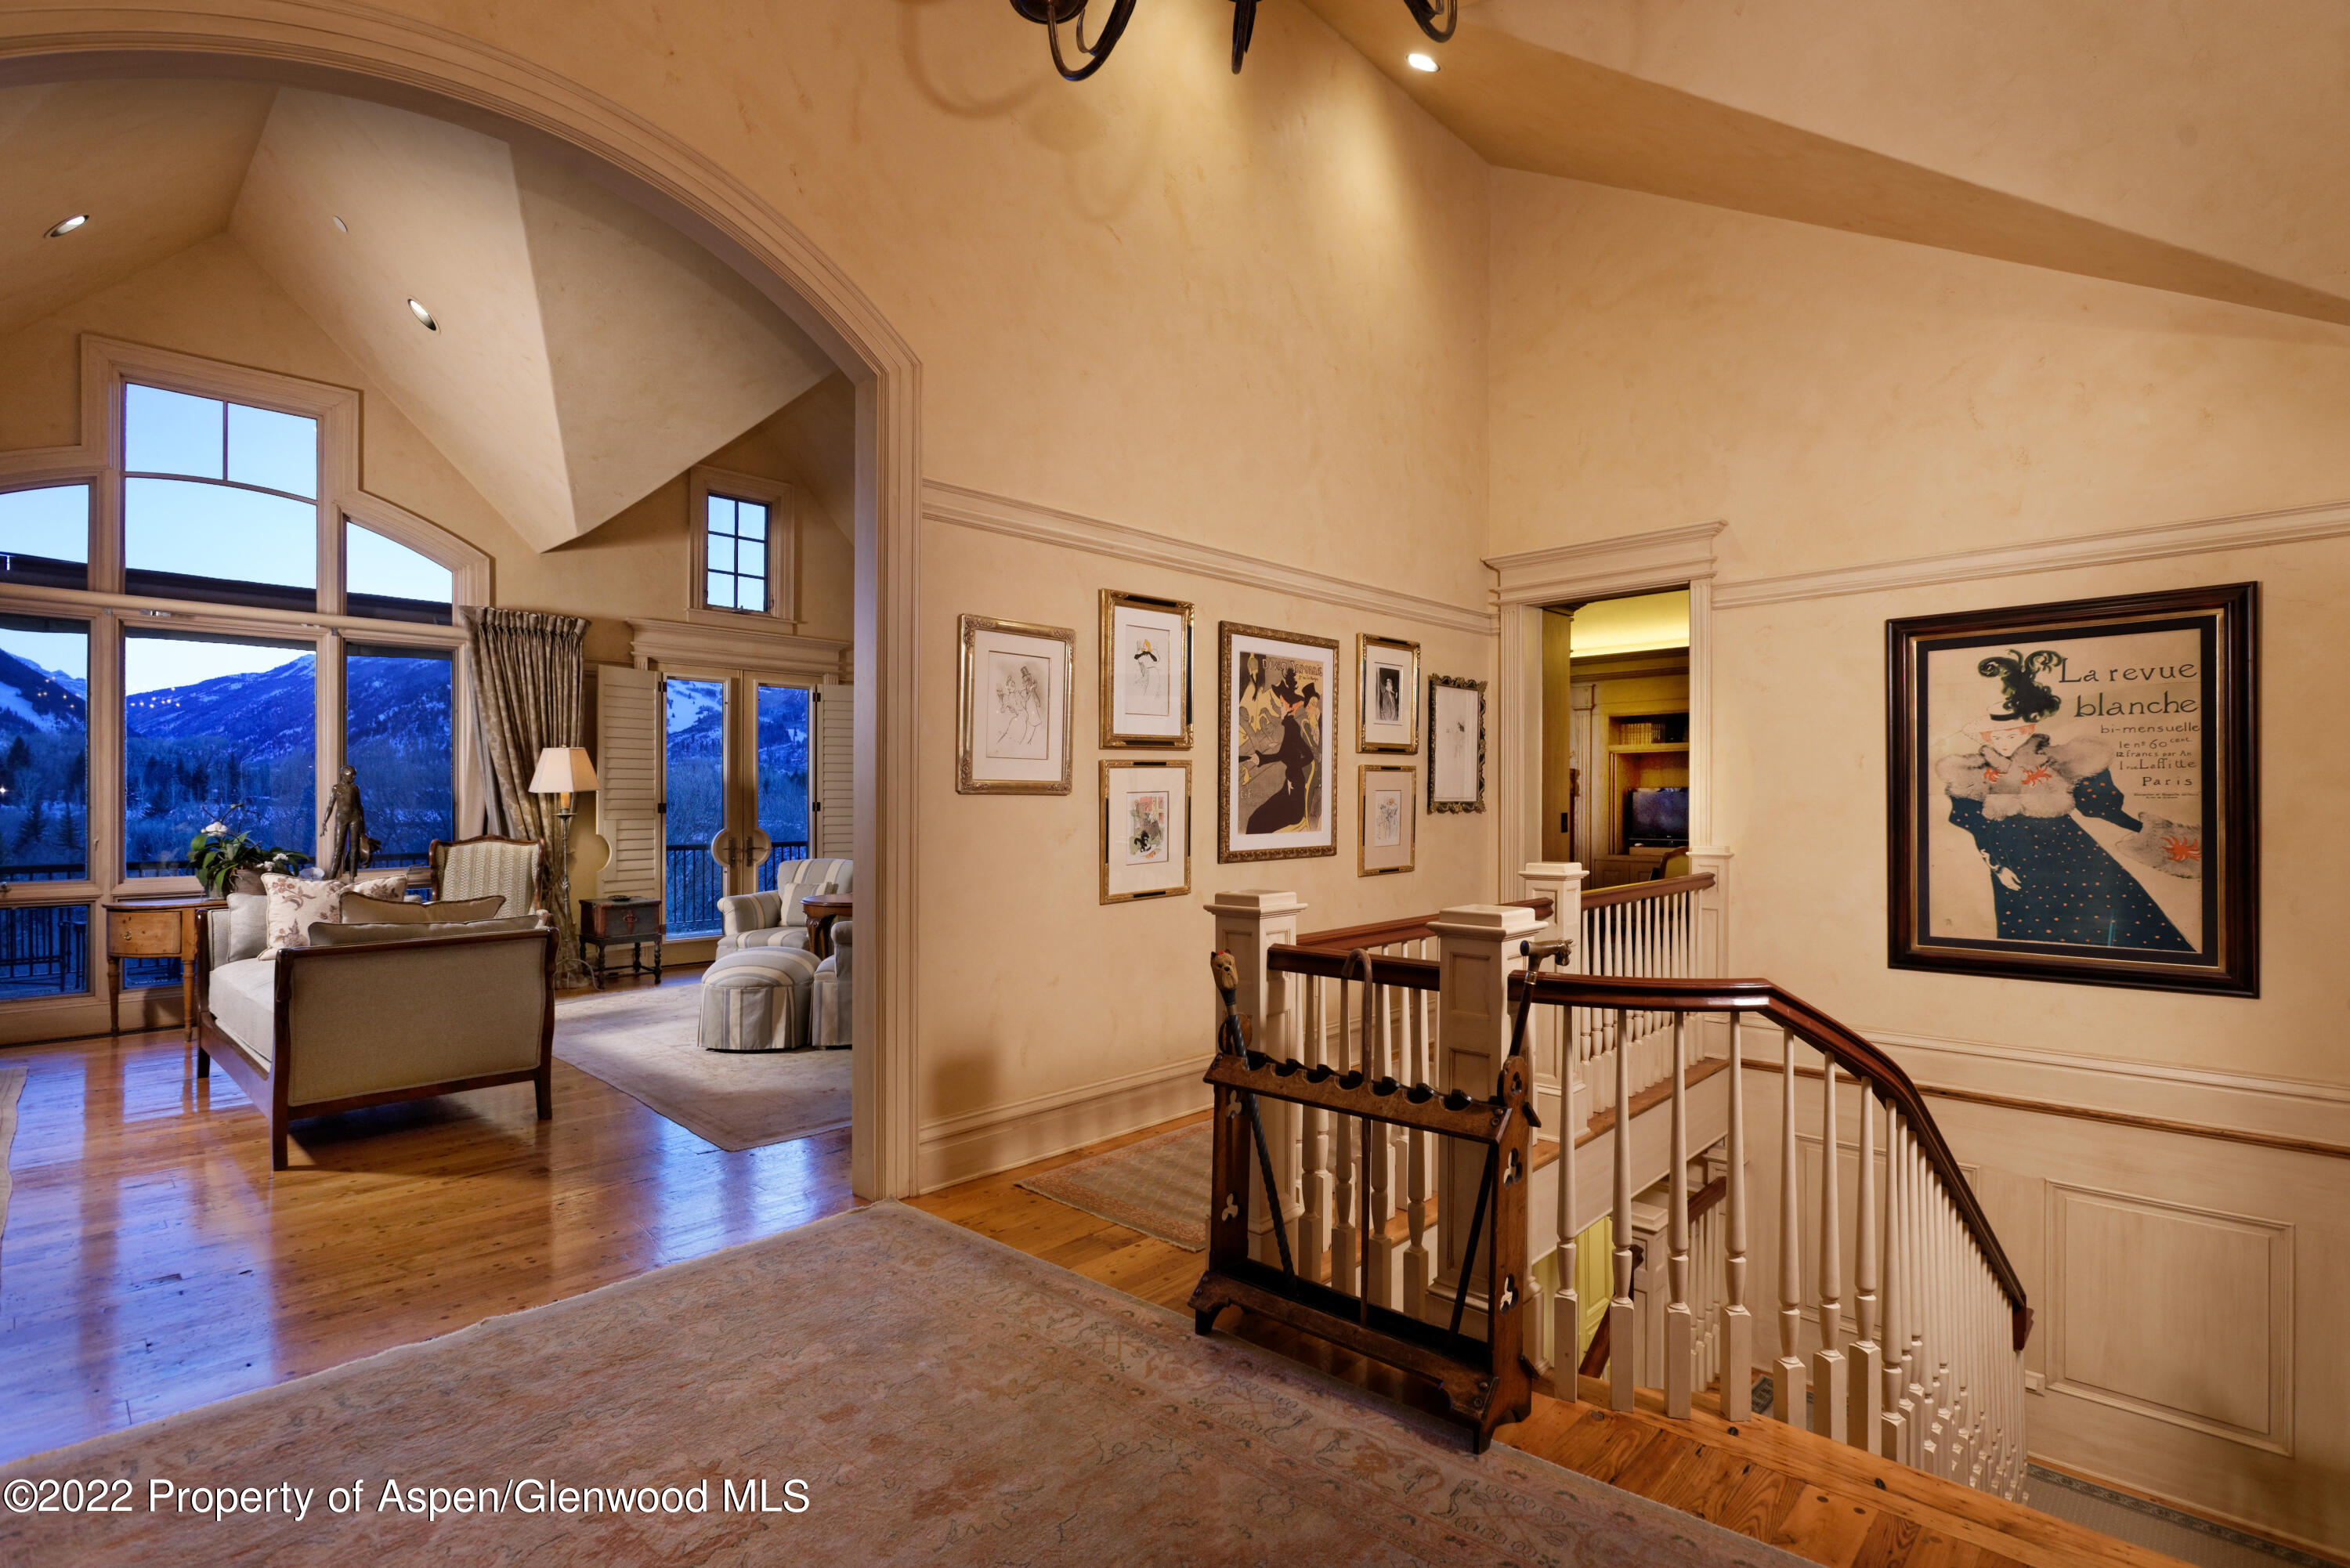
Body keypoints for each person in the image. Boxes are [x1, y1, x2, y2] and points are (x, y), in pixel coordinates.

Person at [1933, 652, 2193, 952]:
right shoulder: (1974, 774)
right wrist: (1997, 866)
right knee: (2035, 935)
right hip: (2017, 861)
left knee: (2114, 921)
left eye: (2012, 732)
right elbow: (1979, 827)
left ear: (2028, 730)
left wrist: (2146, 832)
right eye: (1995, 735)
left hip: (2072, 853)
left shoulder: (2060, 761)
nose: (2003, 740)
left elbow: (2100, 808)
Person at [1242, 675, 1320, 836]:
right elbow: (1283, 755)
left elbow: (1309, 757)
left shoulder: (1292, 728)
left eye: (1282, 705)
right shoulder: (1290, 727)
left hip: (1294, 796)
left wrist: (1293, 772)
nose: (1280, 709)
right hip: (1289, 788)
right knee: (1255, 821)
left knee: (1255, 822)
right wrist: (1261, 759)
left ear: (1289, 707)